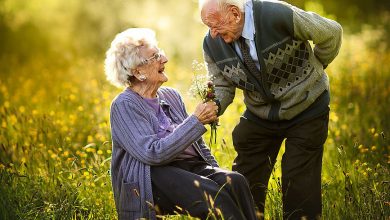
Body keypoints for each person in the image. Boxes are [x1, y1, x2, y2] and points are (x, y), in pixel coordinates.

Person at [199, 0, 342, 219]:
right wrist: (215, 105)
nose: (213, 34)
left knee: (299, 181)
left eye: (215, 25)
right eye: (208, 27)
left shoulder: (276, 14)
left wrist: (316, 67)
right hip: (261, 113)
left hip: (307, 106)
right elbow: (222, 86)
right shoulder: (212, 44)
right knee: (243, 176)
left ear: (235, 14)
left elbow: (331, 32)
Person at [104, 28, 257, 220]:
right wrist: (196, 120)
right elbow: (153, 153)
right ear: (138, 72)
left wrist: (216, 174)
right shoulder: (124, 105)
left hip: (187, 167)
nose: (165, 59)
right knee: (216, 200)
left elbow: (197, 144)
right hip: (153, 177)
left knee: (234, 182)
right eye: (155, 56)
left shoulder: (171, 96)